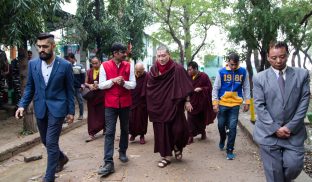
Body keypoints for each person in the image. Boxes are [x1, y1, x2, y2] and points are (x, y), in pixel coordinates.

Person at [15, 33, 75, 182]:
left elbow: (69, 90)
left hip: (58, 108)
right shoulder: (33, 64)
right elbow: (30, 87)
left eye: (45, 46)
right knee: (45, 141)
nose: (41, 49)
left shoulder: (65, 65)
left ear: (53, 46)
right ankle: (61, 158)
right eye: (39, 46)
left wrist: (71, 111)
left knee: (51, 141)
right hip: (40, 107)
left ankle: (48, 178)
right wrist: (22, 105)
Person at [253, 41, 310, 182]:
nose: (278, 61)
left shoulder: (302, 75)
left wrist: (289, 127)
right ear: (267, 57)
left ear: (287, 55)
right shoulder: (259, 78)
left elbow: (304, 102)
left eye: (282, 57)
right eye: (274, 57)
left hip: (293, 133)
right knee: (274, 173)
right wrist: (275, 128)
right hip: (269, 134)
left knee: (294, 166)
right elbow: (260, 106)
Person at [146, 45, 193, 168]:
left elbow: (186, 86)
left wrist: (187, 101)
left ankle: (177, 146)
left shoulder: (177, 69)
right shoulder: (153, 70)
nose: (161, 59)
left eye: (163, 56)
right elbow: (150, 88)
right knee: (162, 131)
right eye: (159, 56)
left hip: (174, 106)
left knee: (178, 130)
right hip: (159, 107)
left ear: (169, 55)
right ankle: (166, 156)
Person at [97, 43, 136, 176]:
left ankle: (122, 151)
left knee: (125, 129)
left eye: (125, 52)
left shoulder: (129, 66)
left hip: (125, 103)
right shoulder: (104, 65)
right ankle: (108, 162)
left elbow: (133, 84)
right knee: (110, 132)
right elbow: (101, 85)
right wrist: (113, 80)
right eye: (122, 52)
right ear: (114, 53)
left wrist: (124, 83)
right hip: (110, 104)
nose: (125, 54)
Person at [212, 52, 250, 160]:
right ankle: (222, 138)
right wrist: (215, 103)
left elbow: (246, 87)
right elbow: (215, 88)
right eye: (231, 64)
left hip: (235, 104)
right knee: (220, 125)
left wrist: (247, 102)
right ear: (228, 62)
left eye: (235, 64)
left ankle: (230, 150)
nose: (233, 67)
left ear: (238, 63)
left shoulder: (243, 72)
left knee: (233, 127)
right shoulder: (221, 72)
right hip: (223, 103)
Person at [187, 61, 216, 144]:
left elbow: (209, 88)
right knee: (190, 119)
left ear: (195, 69)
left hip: (201, 102)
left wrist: (202, 89)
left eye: (190, 70)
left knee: (200, 119)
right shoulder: (188, 77)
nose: (189, 71)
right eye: (188, 70)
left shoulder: (204, 76)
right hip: (191, 101)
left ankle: (203, 132)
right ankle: (190, 136)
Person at [84, 56, 105, 142]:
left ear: (100, 62)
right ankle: (91, 133)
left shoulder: (104, 71)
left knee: (102, 114)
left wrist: (99, 85)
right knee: (92, 115)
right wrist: (89, 85)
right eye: (93, 63)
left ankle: (105, 129)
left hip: (101, 95)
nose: (95, 65)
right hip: (92, 96)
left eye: (96, 63)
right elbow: (85, 83)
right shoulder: (89, 71)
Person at [129, 62, 149, 144]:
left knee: (142, 119)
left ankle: (142, 136)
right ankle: (133, 134)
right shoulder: (132, 75)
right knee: (131, 118)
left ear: (143, 70)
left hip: (142, 102)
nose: (138, 73)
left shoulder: (147, 75)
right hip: (132, 100)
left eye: (140, 71)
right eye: (137, 71)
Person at [67, 52, 85, 120]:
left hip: (78, 87)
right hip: (70, 87)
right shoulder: (68, 66)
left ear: (73, 58)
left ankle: (81, 115)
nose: (69, 61)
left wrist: (82, 85)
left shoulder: (80, 66)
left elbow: (83, 76)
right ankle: (71, 115)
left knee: (80, 101)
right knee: (70, 102)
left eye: (69, 59)